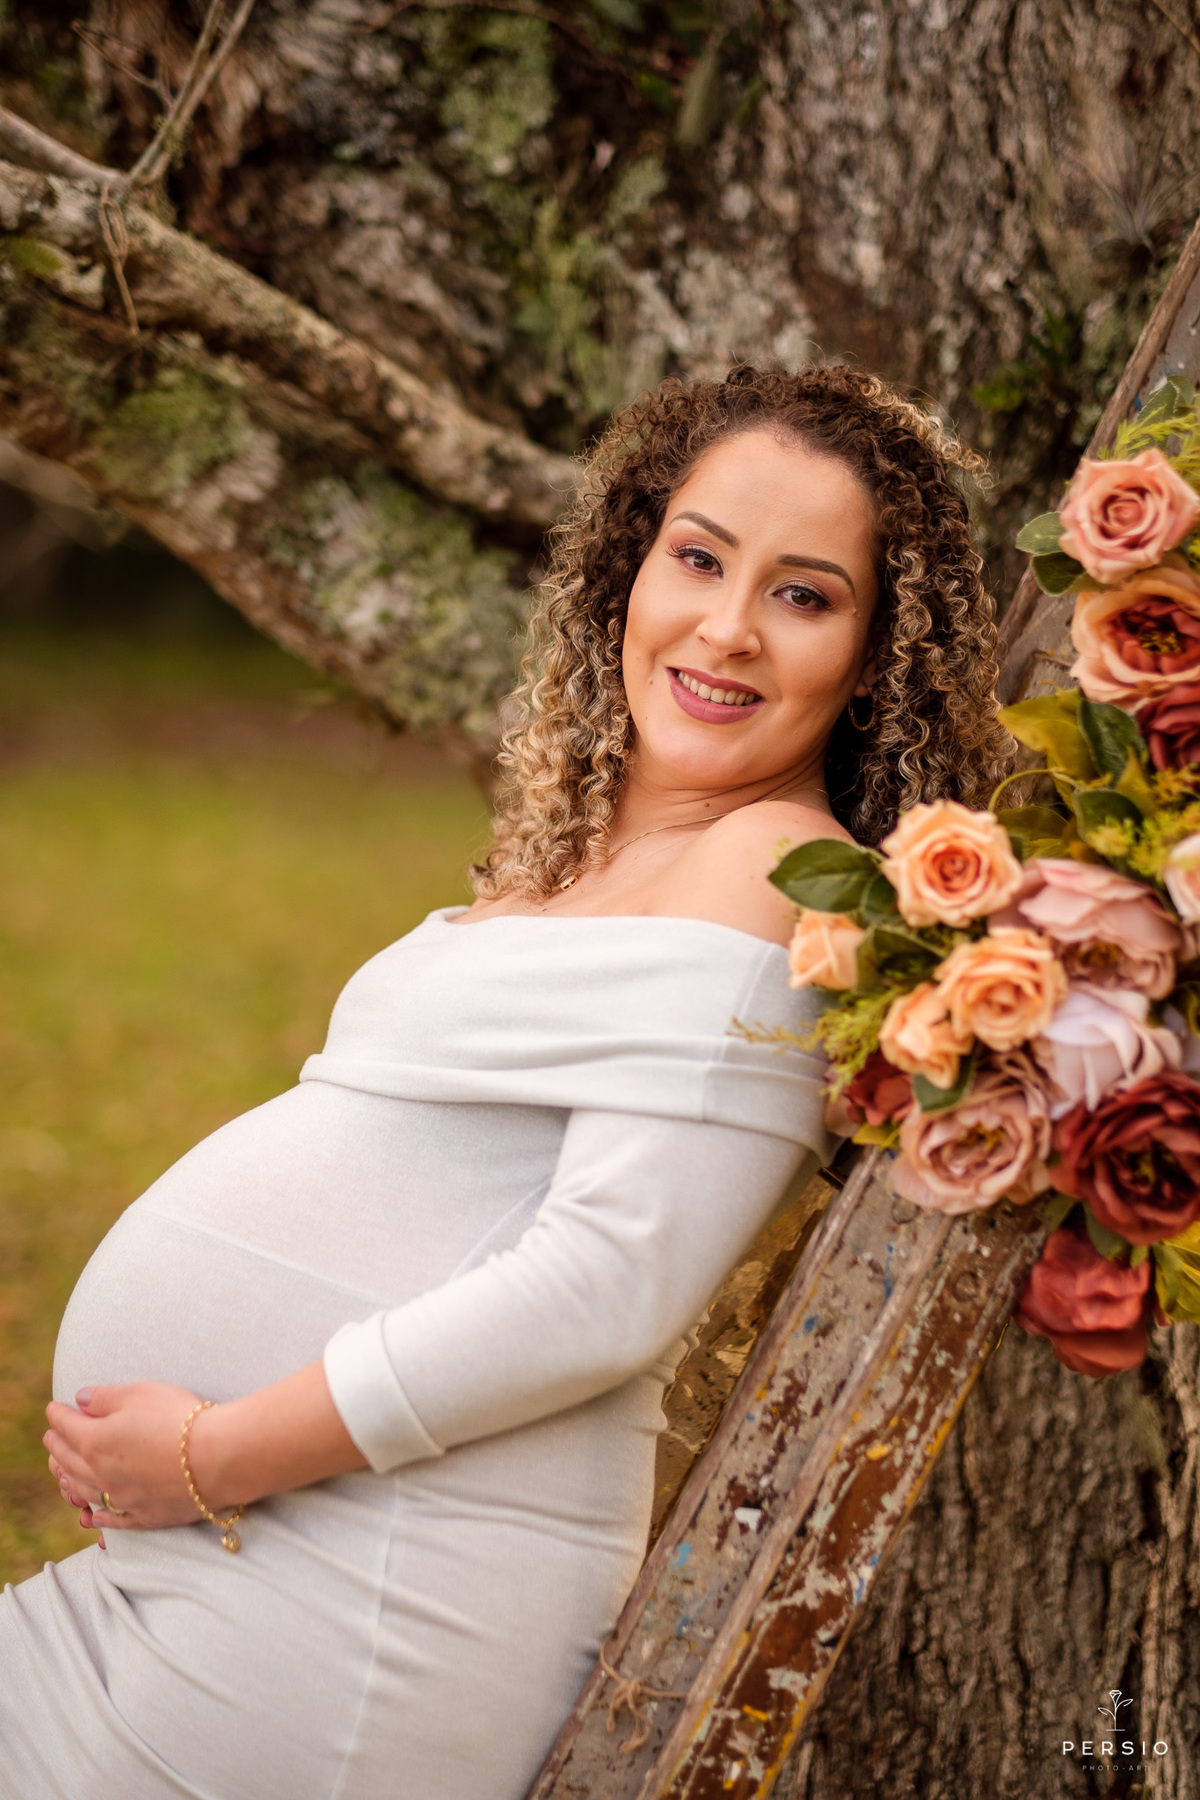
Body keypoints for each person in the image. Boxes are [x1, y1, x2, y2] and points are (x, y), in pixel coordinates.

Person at [0, 364, 1009, 1798]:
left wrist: (213, 1453)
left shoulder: (773, 873)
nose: (725, 628)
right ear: (631, 566)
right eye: (700, 558)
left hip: (374, 1605)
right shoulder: (595, 859)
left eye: (803, 594)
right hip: (264, 1562)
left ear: (874, 650)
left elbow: (605, 1284)